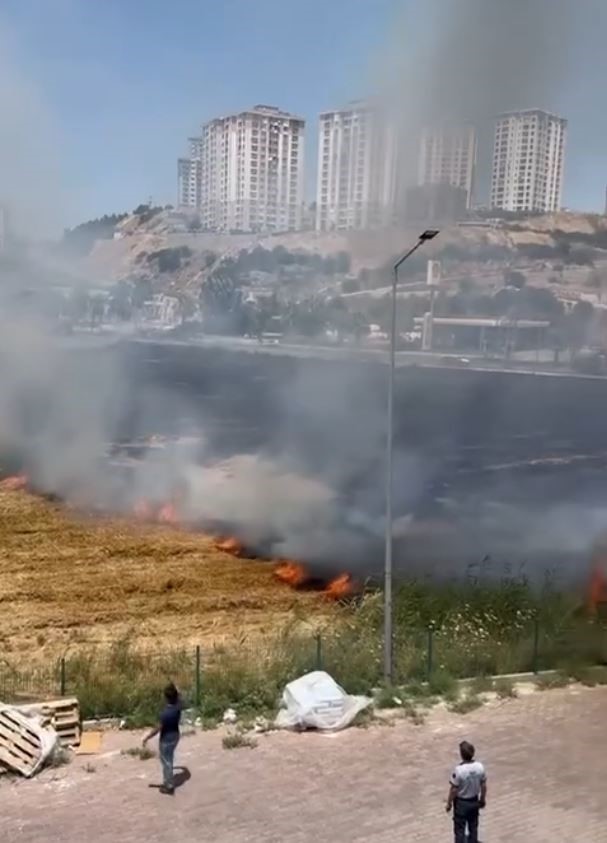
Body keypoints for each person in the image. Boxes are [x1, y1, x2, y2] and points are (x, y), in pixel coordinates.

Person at [143, 682, 182, 795]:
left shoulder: (164, 714)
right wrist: (176, 689)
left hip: (166, 739)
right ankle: (168, 780)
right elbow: (180, 696)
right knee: (169, 758)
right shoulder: (178, 707)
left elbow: (158, 729)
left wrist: (147, 737)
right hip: (175, 736)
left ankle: (169, 786)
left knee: (166, 762)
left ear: (166, 698)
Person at [445, 740, 487, 843]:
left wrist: (449, 803)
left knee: (459, 829)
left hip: (461, 803)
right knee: (473, 827)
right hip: (474, 801)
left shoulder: (459, 770)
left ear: (461, 755)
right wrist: (482, 799)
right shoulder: (480, 767)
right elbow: (484, 785)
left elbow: (454, 789)